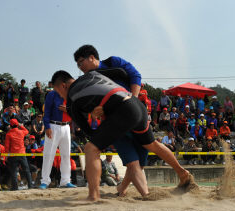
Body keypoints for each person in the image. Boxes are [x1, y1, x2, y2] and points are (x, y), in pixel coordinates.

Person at [51, 69, 197, 201]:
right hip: (136, 104)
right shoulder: (92, 74)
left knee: (90, 148)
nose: (61, 96)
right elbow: (121, 72)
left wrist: (102, 134)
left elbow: (88, 131)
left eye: (58, 92)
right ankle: (183, 173)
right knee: (151, 144)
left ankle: (93, 195)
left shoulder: (71, 99)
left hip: (122, 112)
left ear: (63, 86)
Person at [73, 44, 151, 198]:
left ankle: (122, 188)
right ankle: (146, 195)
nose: (80, 66)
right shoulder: (86, 80)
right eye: (77, 64)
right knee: (132, 162)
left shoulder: (113, 62)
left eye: (81, 62)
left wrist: (132, 101)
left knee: (140, 162)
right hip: (113, 122)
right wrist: (95, 110)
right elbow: (91, 105)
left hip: (135, 115)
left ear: (92, 57)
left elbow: (135, 75)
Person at [39, 83, 75, 189]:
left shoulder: (70, 96)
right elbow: (47, 112)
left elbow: (76, 111)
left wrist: (68, 109)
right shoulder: (52, 95)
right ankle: (45, 181)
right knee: (48, 154)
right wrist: (47, 127)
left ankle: (65, 180)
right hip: (53, 125)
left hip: (66, 127)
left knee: (66, 155)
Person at [5, 119, 34, 190]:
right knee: (27, 170)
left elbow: (7, 146)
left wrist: (6, 155)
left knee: (14, 171)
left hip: (13, 155)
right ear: (17, 125)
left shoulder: (8, 134)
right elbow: (27, 131)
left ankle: (15, 187)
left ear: (10, 125)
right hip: (22, 154)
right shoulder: (21, 132)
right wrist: (21, 126)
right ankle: (30, 185)